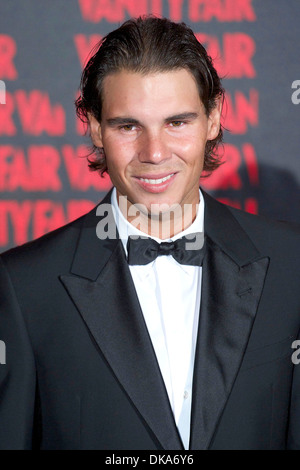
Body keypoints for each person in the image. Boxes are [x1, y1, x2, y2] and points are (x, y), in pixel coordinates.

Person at [0, 16, 299, 451]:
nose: (154, 153)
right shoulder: (24, 286)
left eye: (176, 122)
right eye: (128, 126)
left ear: (213, 118)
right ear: (93, 126)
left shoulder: (291, 265)